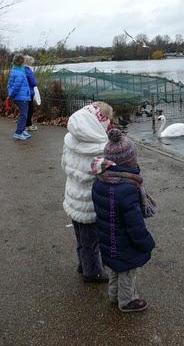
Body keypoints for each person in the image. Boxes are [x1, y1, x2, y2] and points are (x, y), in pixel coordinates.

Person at [91, 128, 155, 312]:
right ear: (130, 160)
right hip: (124, 242)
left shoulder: (100, 180)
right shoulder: (126, 188)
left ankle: (113, 295)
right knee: (127, 272)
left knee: (114, 269)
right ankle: (127, 301)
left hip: (107, 238)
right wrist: (145, 241)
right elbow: (135, 224)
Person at [61, 102, 113, 283]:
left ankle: (83, 263)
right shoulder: (101, 147)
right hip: (90, 202)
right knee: (92, 239)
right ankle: (93, 272)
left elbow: (64, 164)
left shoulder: (70, 139)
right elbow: (106, 176)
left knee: (80, 234)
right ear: (103, 123)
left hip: (73, 196)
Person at [7, 54, 31, 140]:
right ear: (21, 63)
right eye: (24, 62)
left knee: (24, 114)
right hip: (21, 98)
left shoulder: (15, 70)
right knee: (23, 115)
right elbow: (16, 87)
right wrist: (11, 95)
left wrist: (10, 94)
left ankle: (22, 129)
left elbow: (9, 85)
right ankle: (18, 133)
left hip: (22, 97)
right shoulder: (20, 73)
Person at [24, 55, 38, 131]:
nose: (32, 64)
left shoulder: (21, 69)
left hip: (23, 93)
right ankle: (28, 125)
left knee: (25, 109)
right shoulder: (29, 71)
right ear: (29, 62)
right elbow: (33, 83)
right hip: (29, 92)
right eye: (31, 63)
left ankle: (26, 125)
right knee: (30, 109)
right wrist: (36, 83)